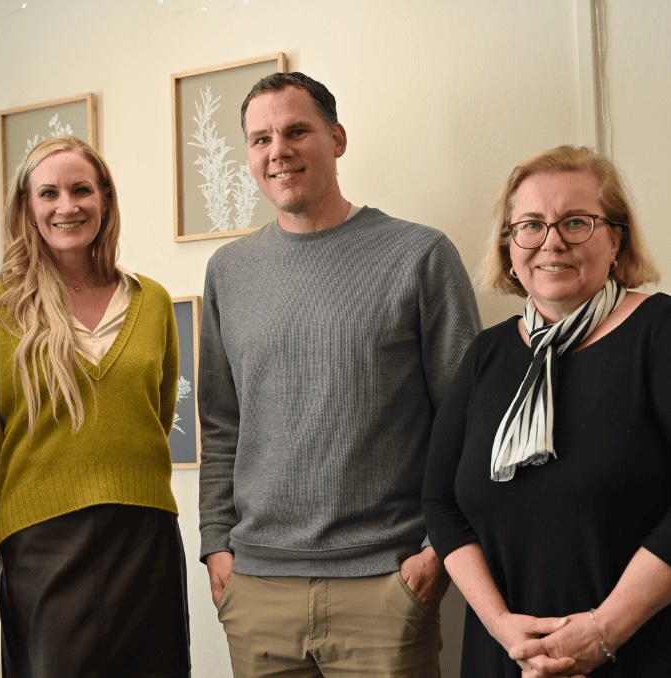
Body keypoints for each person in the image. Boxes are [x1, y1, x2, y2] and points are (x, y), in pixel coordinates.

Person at [198, 71, 481, 676]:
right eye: (260, 139)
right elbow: (220, 423)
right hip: (256, 588)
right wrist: (215, 543)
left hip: (385, 583)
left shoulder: (420, 255)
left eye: (296, 131)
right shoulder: (229, 270)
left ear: (337, 138)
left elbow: (468, 421)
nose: (278, 151)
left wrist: (436, 552)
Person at [423, 145, 671, 677]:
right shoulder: (487, 353)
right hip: (506, 655)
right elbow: (441, 503)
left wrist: (603, 632)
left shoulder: (659, 332)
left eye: (576, 222)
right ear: (509, 246)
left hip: (636, 654)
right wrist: (504, 628)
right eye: (531, 225)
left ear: (616, 239)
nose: (551, 241)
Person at [0, 135, 189, 677]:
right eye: (49, 193)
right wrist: (10, 535)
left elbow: (154, 417)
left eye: (81, 190)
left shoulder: (152, 301)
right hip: (41, 546)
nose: (67, 206)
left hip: (146, 536)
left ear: (104, 198)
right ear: (27, 207)